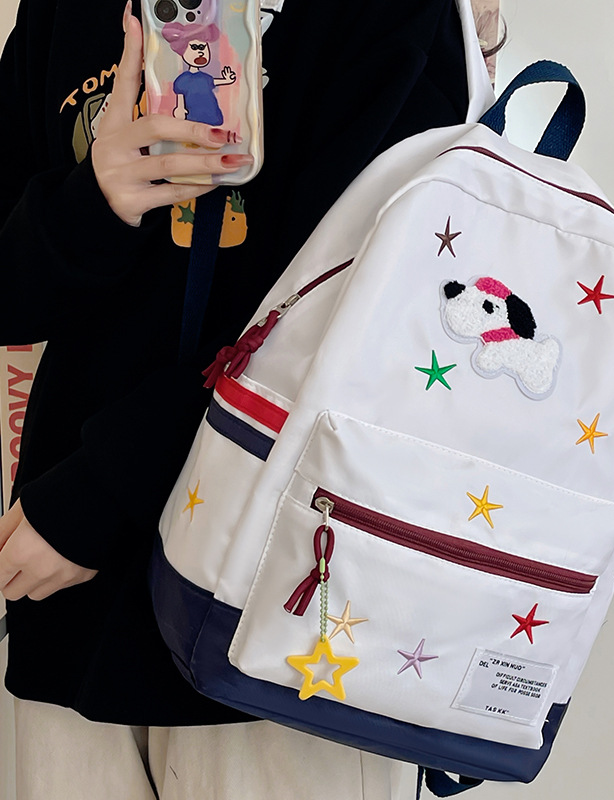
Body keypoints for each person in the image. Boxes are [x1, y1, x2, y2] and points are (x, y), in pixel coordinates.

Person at [0, 0, 474, 796]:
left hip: (289, 614)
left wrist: (106, 487)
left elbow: (359, 308)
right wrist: (96, 200)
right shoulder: (67, 11)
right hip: (76, 604)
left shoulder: (390, 15)